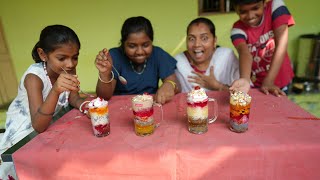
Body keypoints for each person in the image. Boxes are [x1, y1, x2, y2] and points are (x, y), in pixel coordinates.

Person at [0, 25, 90, 179]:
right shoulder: (34, 78)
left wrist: (84, 105)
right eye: (62, 58)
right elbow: (38, 125)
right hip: (26, 133)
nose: (70, 64)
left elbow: (72, 97)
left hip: (51, 123)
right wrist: (55, 90)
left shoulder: (67, 69)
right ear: (43, 54)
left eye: (75, 57)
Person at [95, 16, 180, 104]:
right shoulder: (114, 56)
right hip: (120, 106)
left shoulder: (158, 54)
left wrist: (170, 84)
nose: (139, 52)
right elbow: (103, 97)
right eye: (132, 46)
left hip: (151, 105)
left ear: (152, 42)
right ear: (123, 44)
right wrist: (105, 74)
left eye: (145, 45)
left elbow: (177, 85)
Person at [230, 0, 295, 96]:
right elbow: (244, 53)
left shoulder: (275, 7)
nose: (250, 15)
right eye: (243, 12)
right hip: (256, 84)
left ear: (264, 3)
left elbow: (281, 43)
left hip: (281, 79)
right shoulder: (237, 29)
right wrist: (245, 79)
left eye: (255, 8)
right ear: (236, 11)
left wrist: (269, 80)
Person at [175, 17, 240, 93]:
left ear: (214, 41)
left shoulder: (226, 57)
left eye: (204, 38)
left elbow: (242, 93)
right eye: (191, 39)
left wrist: (218, 86)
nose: (197, 44)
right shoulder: (178, 63)